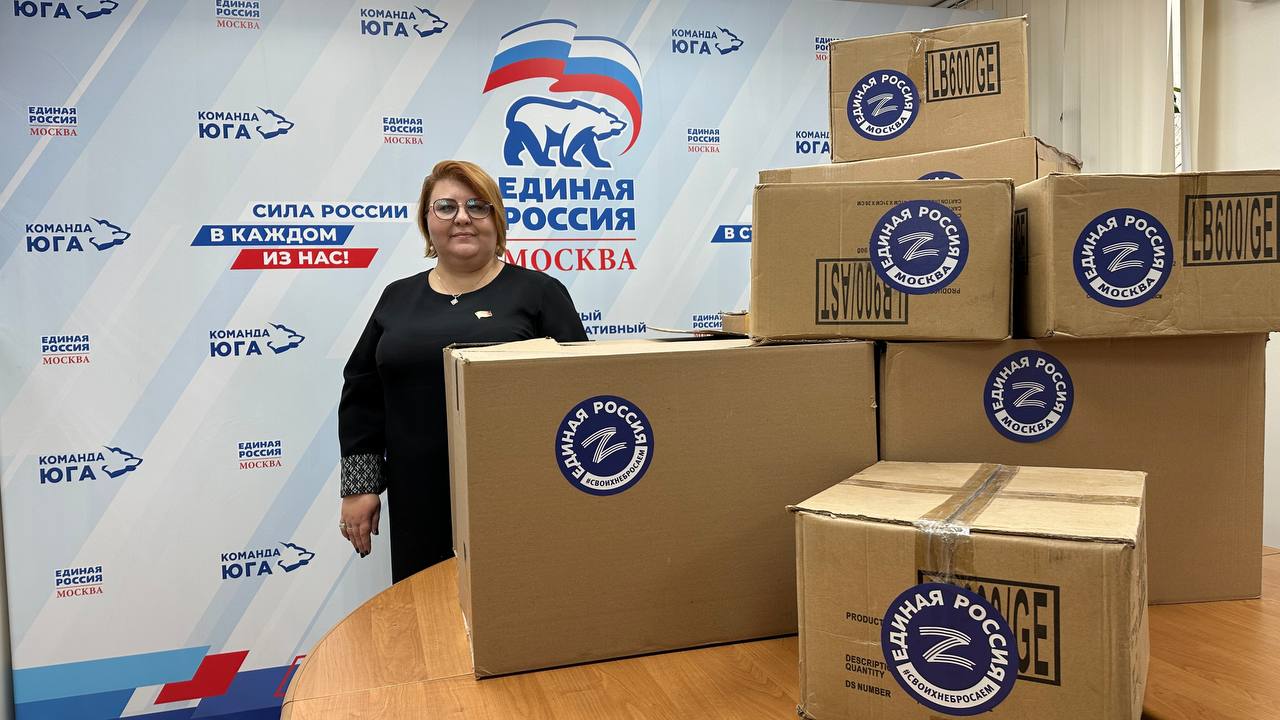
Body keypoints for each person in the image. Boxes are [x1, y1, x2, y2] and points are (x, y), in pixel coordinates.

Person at [337, 160, 588, 582]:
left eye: (477, 205)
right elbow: (363, 392)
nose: (462, 218)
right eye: (446, 207)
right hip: (417, 497)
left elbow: (583, 390)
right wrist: (360, 486)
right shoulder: (396, 298)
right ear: (427, 221)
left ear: (497, 219)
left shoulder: (539, 293)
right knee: (427, 607)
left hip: (520, 494)